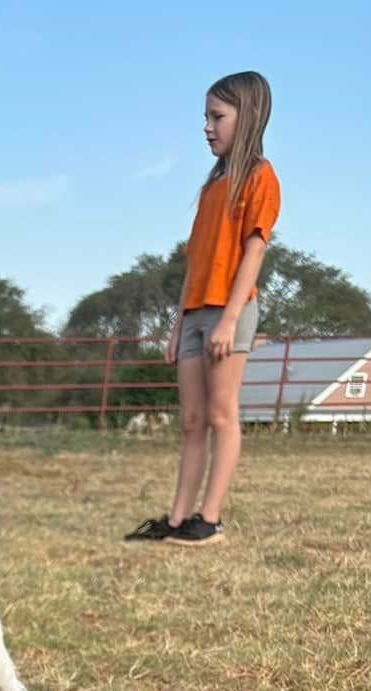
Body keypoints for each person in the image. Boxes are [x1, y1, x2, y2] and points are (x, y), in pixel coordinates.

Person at [125, 72, 279, 546]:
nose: (208, 127)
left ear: (247, 117)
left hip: (228, 313)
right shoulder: (212, 187)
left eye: (218, 117)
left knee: (220, 416)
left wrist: (230, 320)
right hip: (193, 315)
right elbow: (195, 262)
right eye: (206, 118)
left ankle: (208, 520)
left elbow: (253, 254)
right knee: (191, 421)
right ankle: (176, 520)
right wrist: (177, 326)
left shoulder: (260, 177)